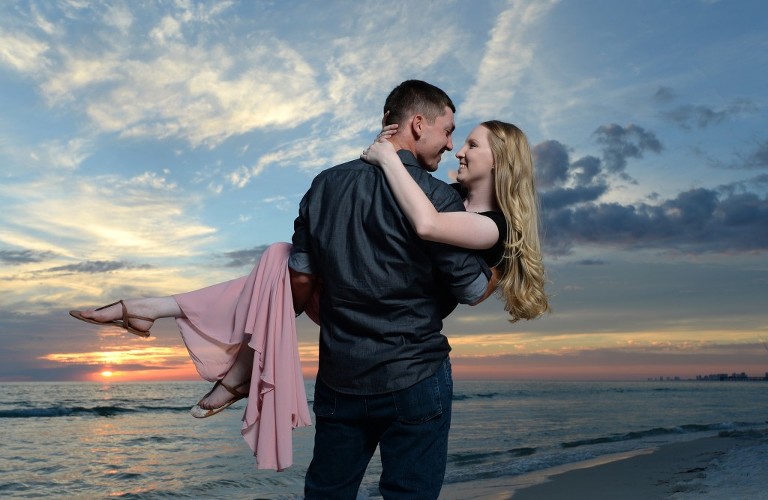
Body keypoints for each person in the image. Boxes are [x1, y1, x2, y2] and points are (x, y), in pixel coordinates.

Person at [70, 80, 547, 494]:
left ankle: (165, 314)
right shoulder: (442, 201)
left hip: (342, 377)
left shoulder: (326, 184)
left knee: (326, 493)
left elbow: (300, 280)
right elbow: (466, 287)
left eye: (465, 143)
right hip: (415, 376)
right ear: (418, 125)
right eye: (448, 133)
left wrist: (272, 335)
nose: (451, 148)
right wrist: (500, 267)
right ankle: (187, 334)